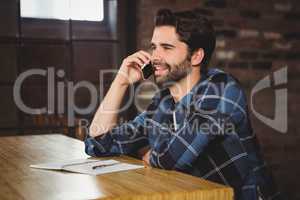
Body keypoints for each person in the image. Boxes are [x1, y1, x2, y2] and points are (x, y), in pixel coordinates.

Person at [85, 9, 281, 200]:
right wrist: (121, 82)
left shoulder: (222, 88)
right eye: (154, 47)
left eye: (167, 48)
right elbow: (99, 143)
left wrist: (148, 152)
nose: (155, 57)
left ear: (196, 56)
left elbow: (171, 160)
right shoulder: (163, 101)